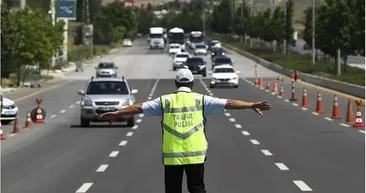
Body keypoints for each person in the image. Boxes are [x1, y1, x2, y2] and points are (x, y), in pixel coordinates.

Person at [100, 68, 271, 193]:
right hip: (196, 154)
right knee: (197, 188)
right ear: (192, 83)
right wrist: (251, 105)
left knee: (173, 190)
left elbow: (139, 108)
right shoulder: (201, 100)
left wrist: (118, 113)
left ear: (176, 84)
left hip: (172, 156)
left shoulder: (165, 101)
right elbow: (229, 103)